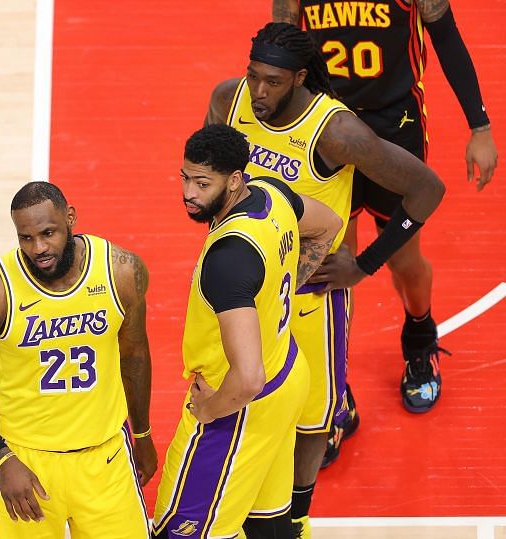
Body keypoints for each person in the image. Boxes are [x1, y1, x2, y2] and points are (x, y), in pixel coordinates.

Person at [205, 22, 445, 538]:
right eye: (253, 77)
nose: (259, 91)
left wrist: (365, 263)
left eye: (272, 81)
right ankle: (248, 504)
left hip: (308, 301)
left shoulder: (337, 132)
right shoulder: (230, 100)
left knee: (313, 423)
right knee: (235, 397)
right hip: (242, 294)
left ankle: (297, 517)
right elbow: (210, 167)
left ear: (298, 78)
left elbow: (427, 188)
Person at [272, 0, 499, 465]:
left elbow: (448, 37)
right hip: (326, 125)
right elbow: (280, 50)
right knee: (329, 268)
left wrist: (480, 127)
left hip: (394, 125)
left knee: (403, 260)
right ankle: (334, 396)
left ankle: (419, 337)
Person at [152, 124, 343, 539]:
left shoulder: (229, 260)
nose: (189, 192)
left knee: (179, 533)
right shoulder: (272, 193)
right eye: (185, 178)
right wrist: (280, 284)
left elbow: (248, 377)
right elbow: (329, 223)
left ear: (235, 180)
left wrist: (209, 410)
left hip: (238, 406)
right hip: (288, 376)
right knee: (269, 526)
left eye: (203, 183)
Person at [0, 182, 158, 538]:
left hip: (106, 459)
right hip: (28, 465)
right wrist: (1, 458)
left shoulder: (120, 271)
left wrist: (143, 434)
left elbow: (134, 353)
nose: (38, 248)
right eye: (26, 238)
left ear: (70, 218)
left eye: (48, 233)